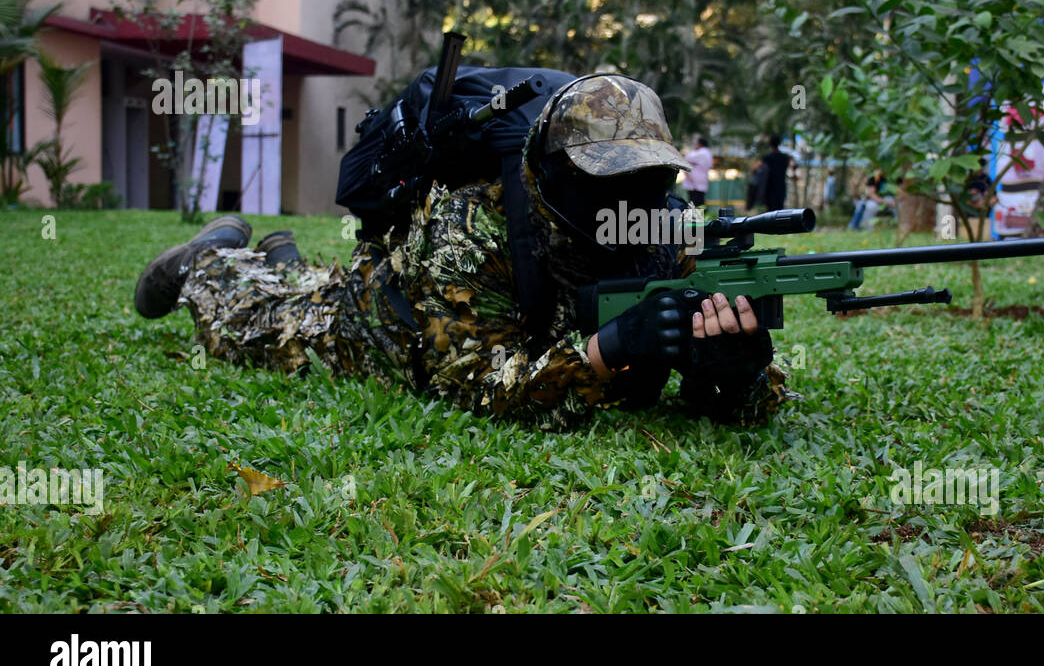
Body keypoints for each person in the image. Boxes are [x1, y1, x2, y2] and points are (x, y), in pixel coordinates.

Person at [133, 76, 792, 428]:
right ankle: (209, 259)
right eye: (605, 176)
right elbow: (469, 381)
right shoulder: (473, 220)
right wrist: (610, 350)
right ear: (550, 171)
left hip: (456, 304)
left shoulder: (659, 232)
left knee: (303, 285)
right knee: (255, 327)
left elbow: (750, 395)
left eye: (646, 180)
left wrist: (739, 373)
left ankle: (283, 258)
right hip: (379, 330)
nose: (628, 198)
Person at [760, 134, 796, 211]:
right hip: (781, 187)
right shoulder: (785, 157)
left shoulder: (767, 158)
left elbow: (756, 168)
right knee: (780, 210)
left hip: (769, 188)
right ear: (779, 143)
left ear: (770, 144)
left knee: (770, 211)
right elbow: (793, 167)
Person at [683, 135, 713, 208]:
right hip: (701, 181)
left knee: (693, 203)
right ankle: (697, 218)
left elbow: (687, 157)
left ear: (700, 144)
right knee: (699, 203)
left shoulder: (701, 153)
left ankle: (692, 219)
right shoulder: (708, 153)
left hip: (695, 182)